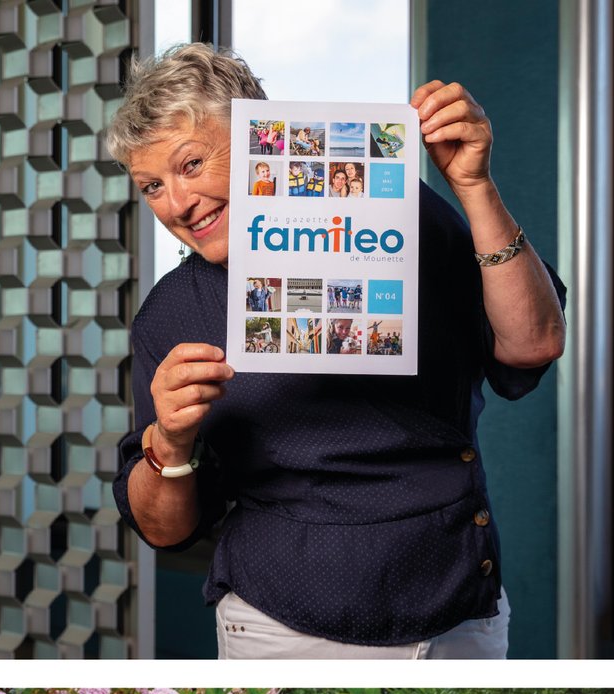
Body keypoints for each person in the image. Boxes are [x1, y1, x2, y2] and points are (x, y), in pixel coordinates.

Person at [105, 44, 566, 657]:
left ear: (259, 139)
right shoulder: (172, 315)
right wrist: (168, 441)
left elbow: (533, 343)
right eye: (152, 186)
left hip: (455, 599)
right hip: (280, 619)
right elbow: (165, 529)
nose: (177, 204)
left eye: (191, 164)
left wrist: (474, 188)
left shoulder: (400, 224)